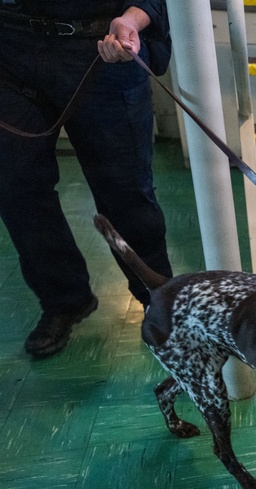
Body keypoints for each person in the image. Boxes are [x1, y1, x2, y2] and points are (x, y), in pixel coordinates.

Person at [0, 0, 173, 359]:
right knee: (15, 186)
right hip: (10, 49)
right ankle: (64, 299)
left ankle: (158, 302)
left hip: (101, 45)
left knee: (126, 194)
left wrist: (131, 20)